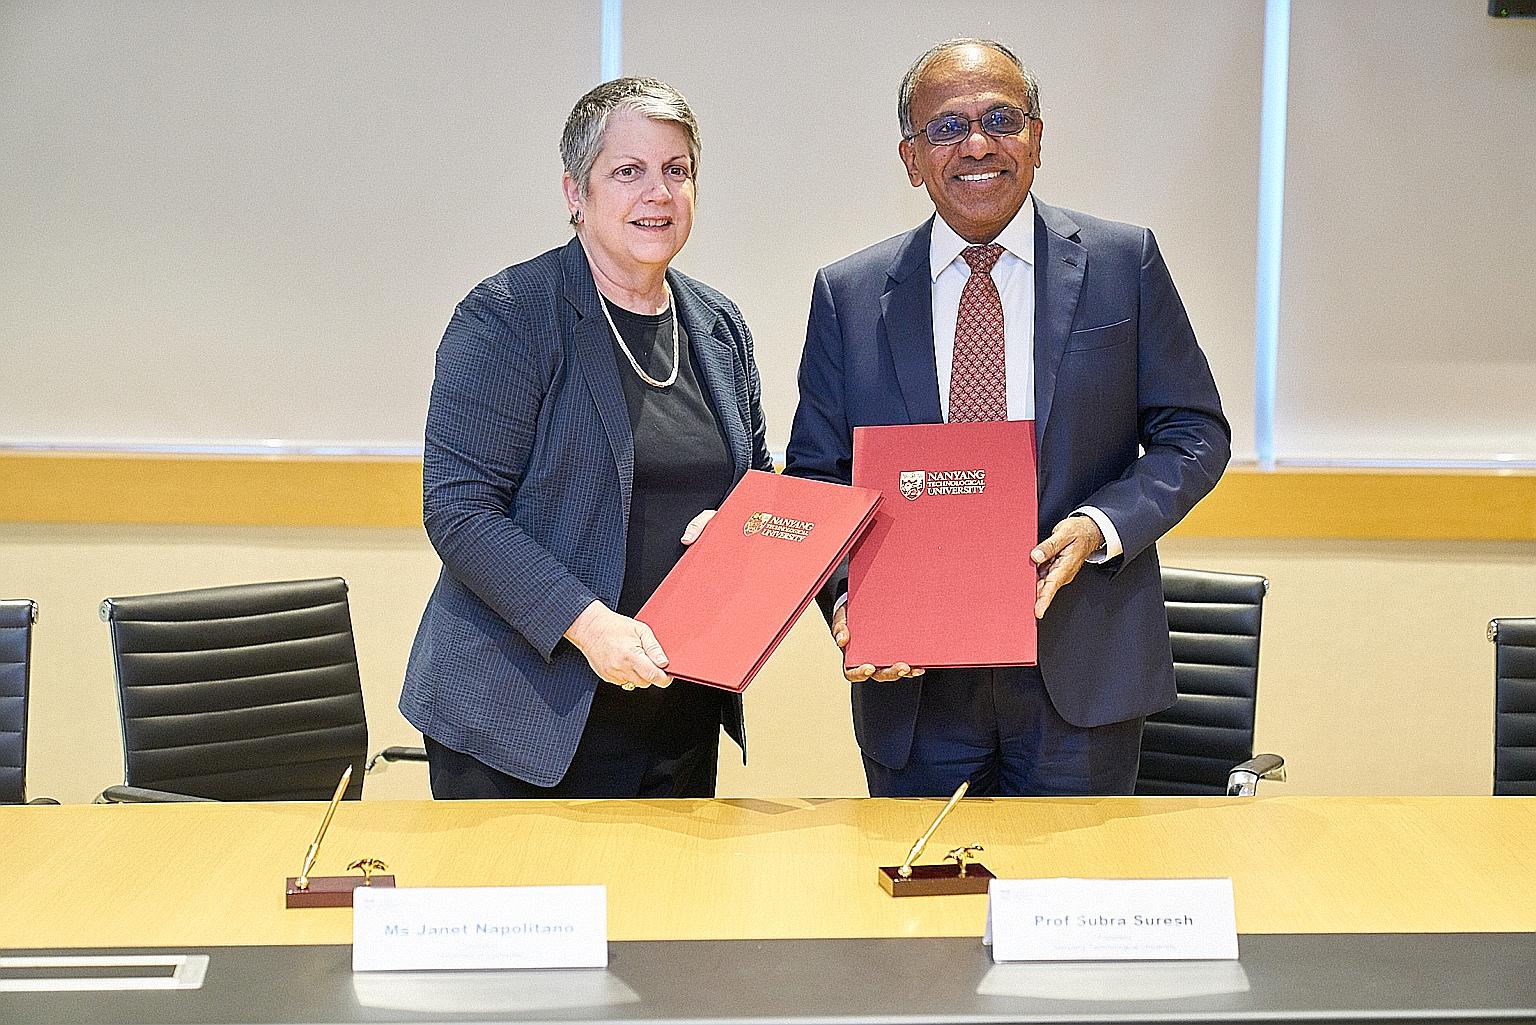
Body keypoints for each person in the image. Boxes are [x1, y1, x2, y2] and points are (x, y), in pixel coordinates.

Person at [784, 39, 1230, 798]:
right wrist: (853, 600)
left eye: (1001, 119)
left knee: (1076, 875)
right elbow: (817, 477)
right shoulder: (849, 295)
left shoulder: (1123, 263)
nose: (978, 145)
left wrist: (1098, 525)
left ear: (1037, 137)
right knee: (923, 880)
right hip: (915, 686)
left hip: (1081, 671)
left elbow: (1195, 433)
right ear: (911, 158)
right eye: (947, 128)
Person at [400, 77, 773, 798]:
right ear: (576, 193)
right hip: (521, 720)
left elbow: (755, 484)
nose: (658, 193)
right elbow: (459, 510)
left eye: (676, 170)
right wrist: (589, 625)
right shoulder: (509, 315)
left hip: (676, 708)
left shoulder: (719, 325)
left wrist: (738, 532)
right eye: (628, 171)